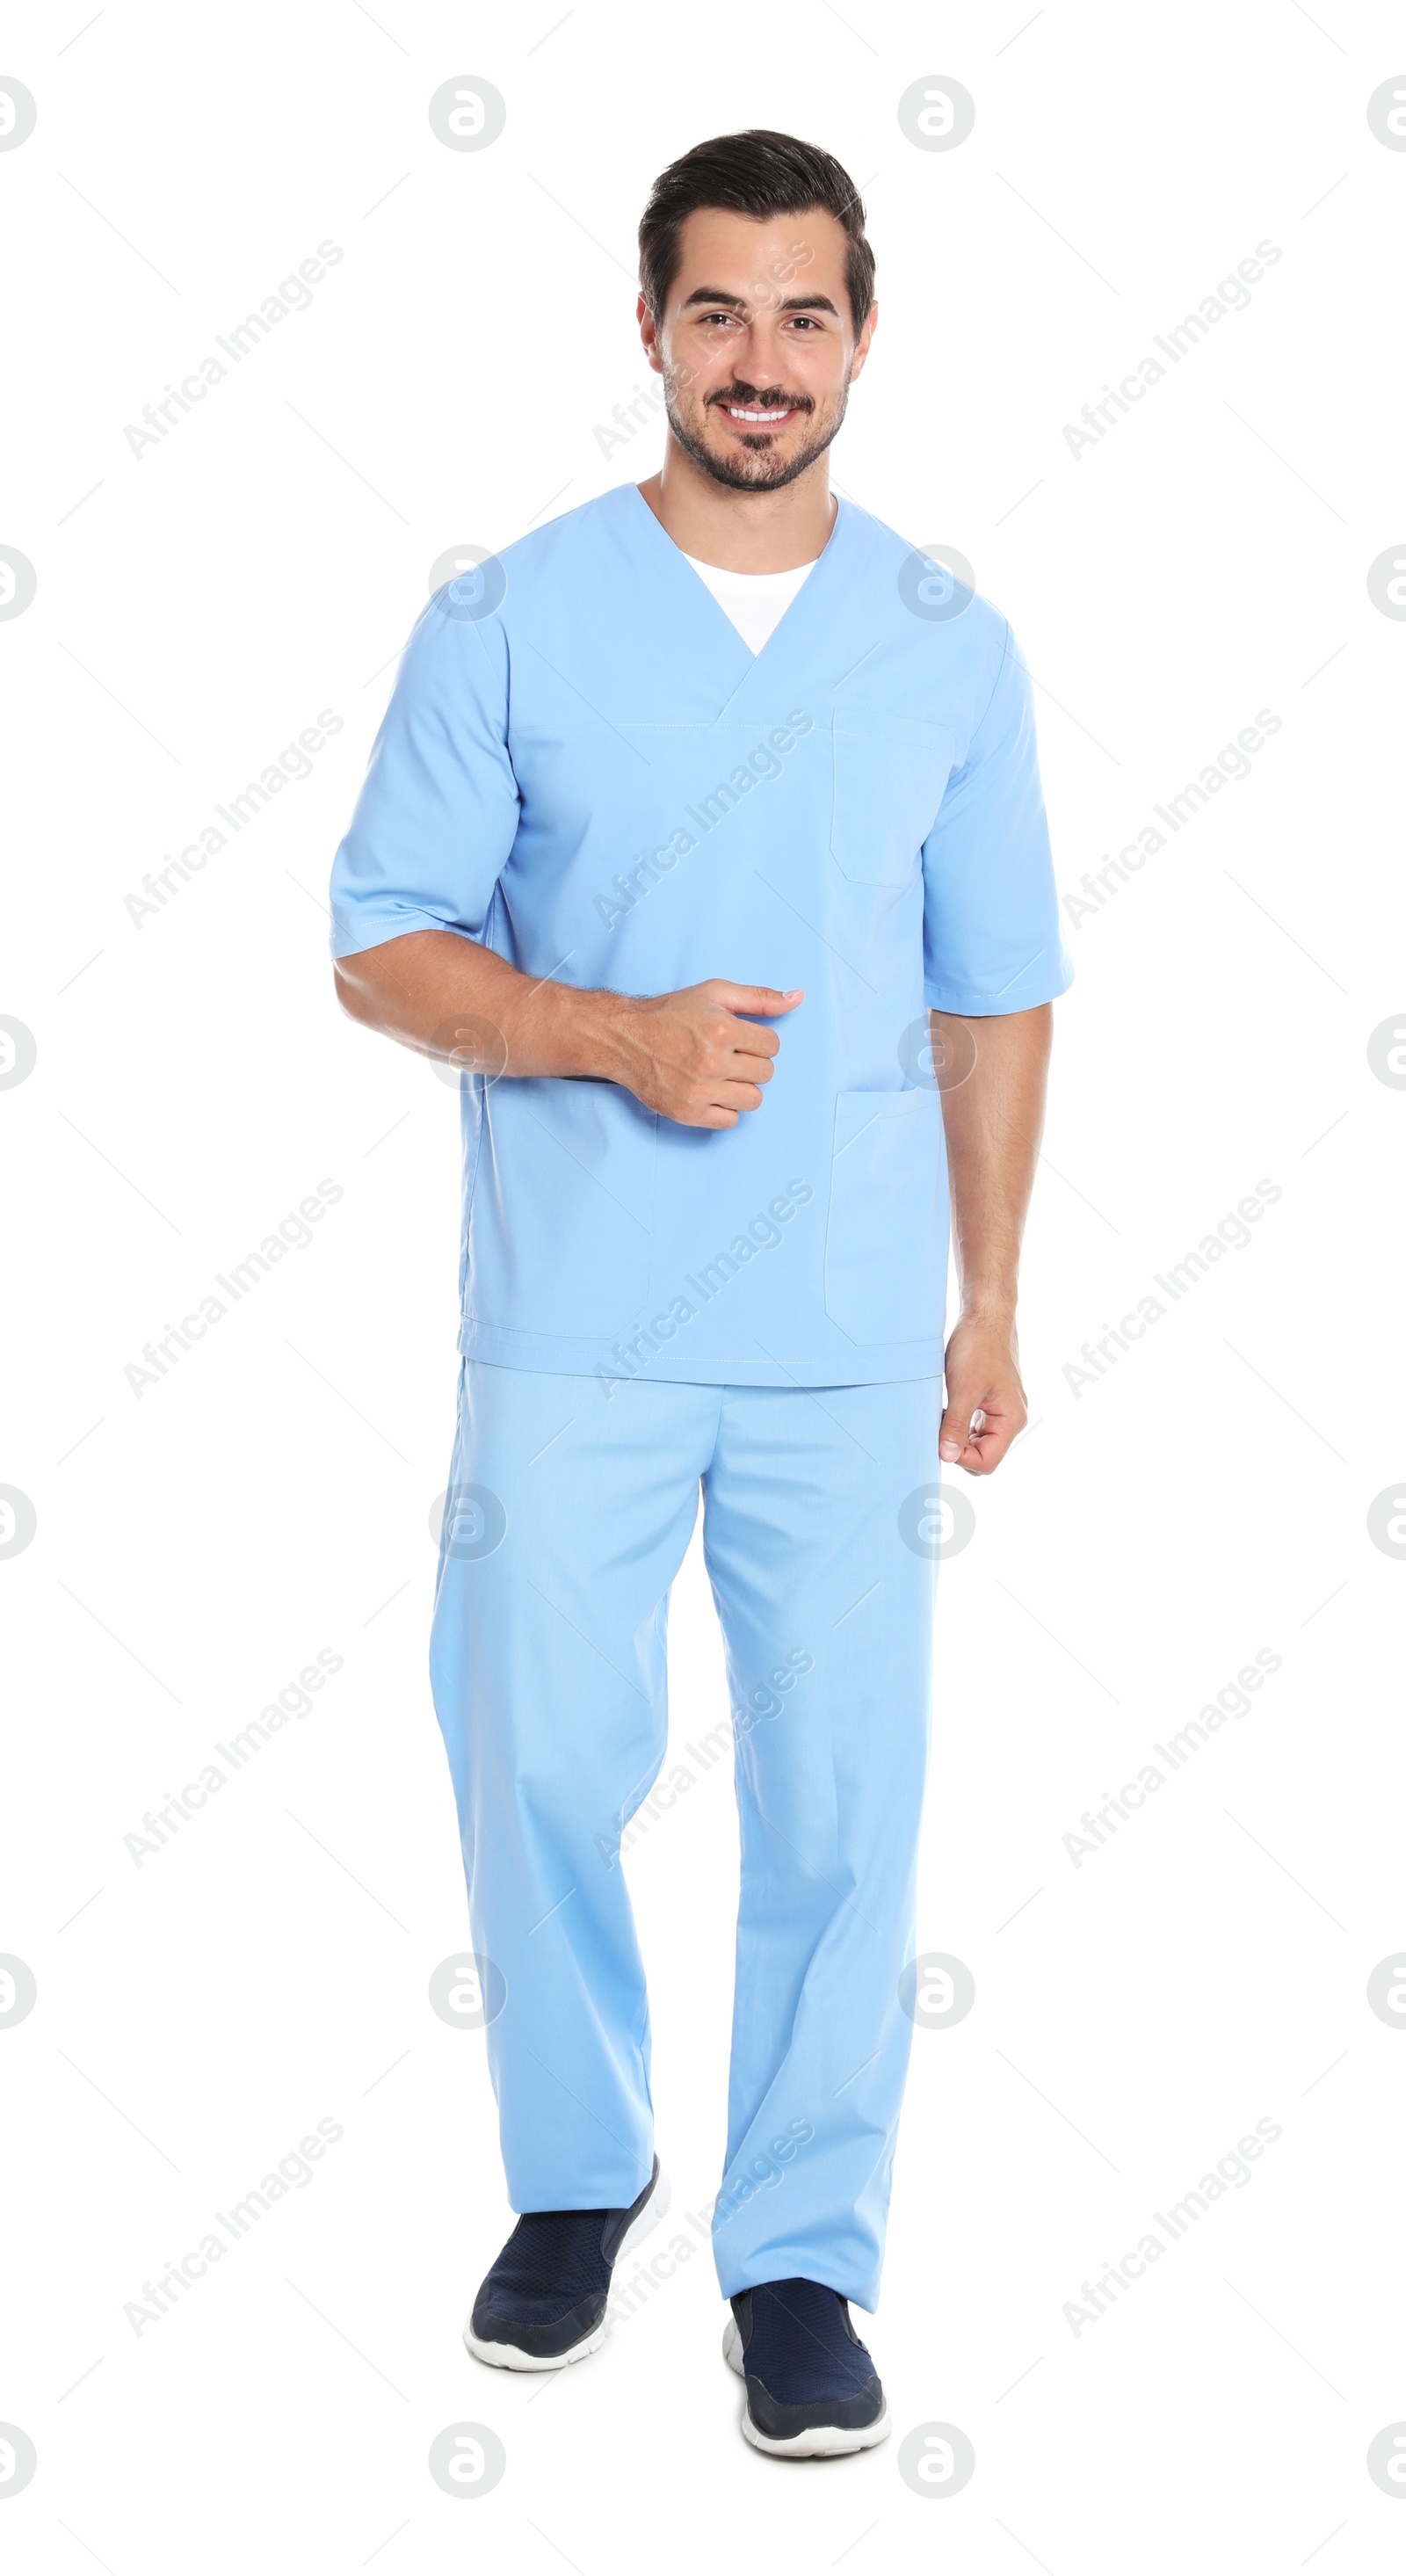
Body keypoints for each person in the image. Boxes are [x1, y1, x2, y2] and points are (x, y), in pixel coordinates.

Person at [329, 127, 1071, 2458]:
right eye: (722, 312)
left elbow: (1000, 988)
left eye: (809, 314)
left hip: (853, 1331)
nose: (766, 362)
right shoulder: (513, 616)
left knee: (848, 1801)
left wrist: (991, 1300)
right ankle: (580, 2169)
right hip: (578, 1319)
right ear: (650, 327)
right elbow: (381, 944)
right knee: (534, 1752)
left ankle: (798, 2254)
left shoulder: (949, 644)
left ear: (866, 335)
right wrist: (611, 1034)